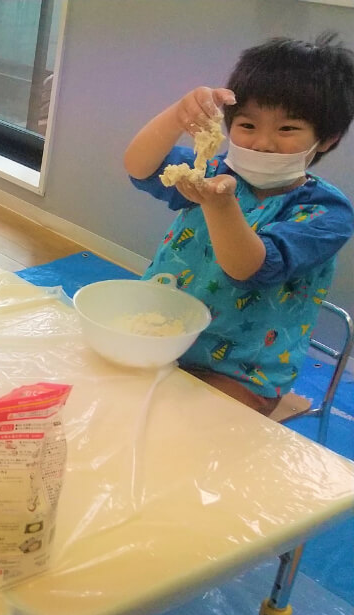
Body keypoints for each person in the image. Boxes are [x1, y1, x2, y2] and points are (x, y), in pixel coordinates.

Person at [123, 33, 354, 415]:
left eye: (287, 129)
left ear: (327, 139)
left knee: (183, 432)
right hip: (162, 335)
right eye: (247, 125)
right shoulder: (214, 169)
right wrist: (178, 115)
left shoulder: (326, 212)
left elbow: (249, 267)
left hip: (241, 370)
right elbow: (140, 167)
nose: (262, 143)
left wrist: (220, 205)